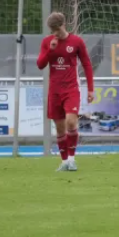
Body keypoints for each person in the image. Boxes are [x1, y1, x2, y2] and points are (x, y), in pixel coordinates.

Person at [37, 12, 95, 172]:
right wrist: (50, 50)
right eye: (51, 30)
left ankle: (72, 159)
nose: (53, 33)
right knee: (60, 128)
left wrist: (91, 89)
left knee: (71, 121)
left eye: (55, 29)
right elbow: (40, 65)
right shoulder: (47, 42)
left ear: (62, 25)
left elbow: (87, 65)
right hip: (54, 90)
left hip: (71, 89)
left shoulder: (76, 41)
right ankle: (64, 162)